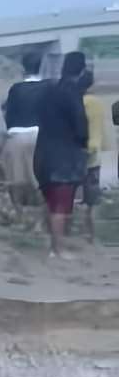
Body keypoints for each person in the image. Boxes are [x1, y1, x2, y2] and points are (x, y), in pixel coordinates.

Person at [34, 51, 90, 259]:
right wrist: (84, 146)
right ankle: (58, 250)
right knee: (61, 205)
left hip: (42, 153)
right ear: (81, 69)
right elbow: (81, 128)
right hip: (63, 157)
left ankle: (51, 247)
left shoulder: (49, 91)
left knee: (51, 202)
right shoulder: (72, 92)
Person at [0, 51, 47, 209]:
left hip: (17, 138)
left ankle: (20, 217)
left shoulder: (16, 89)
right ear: (42, 67)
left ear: (22, 69)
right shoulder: (49, 87)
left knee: (16, 182)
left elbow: (5, 112)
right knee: (43, 182)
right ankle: (44, 219)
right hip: (42, 138)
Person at [81, 67, 108, 244]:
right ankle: (92, 236)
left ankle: (72, 234)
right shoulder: (98, 103)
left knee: (69, 195)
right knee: (91, 199)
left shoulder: (77, 102)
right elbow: (101, 130)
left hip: (76, 155)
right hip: (94, 155)